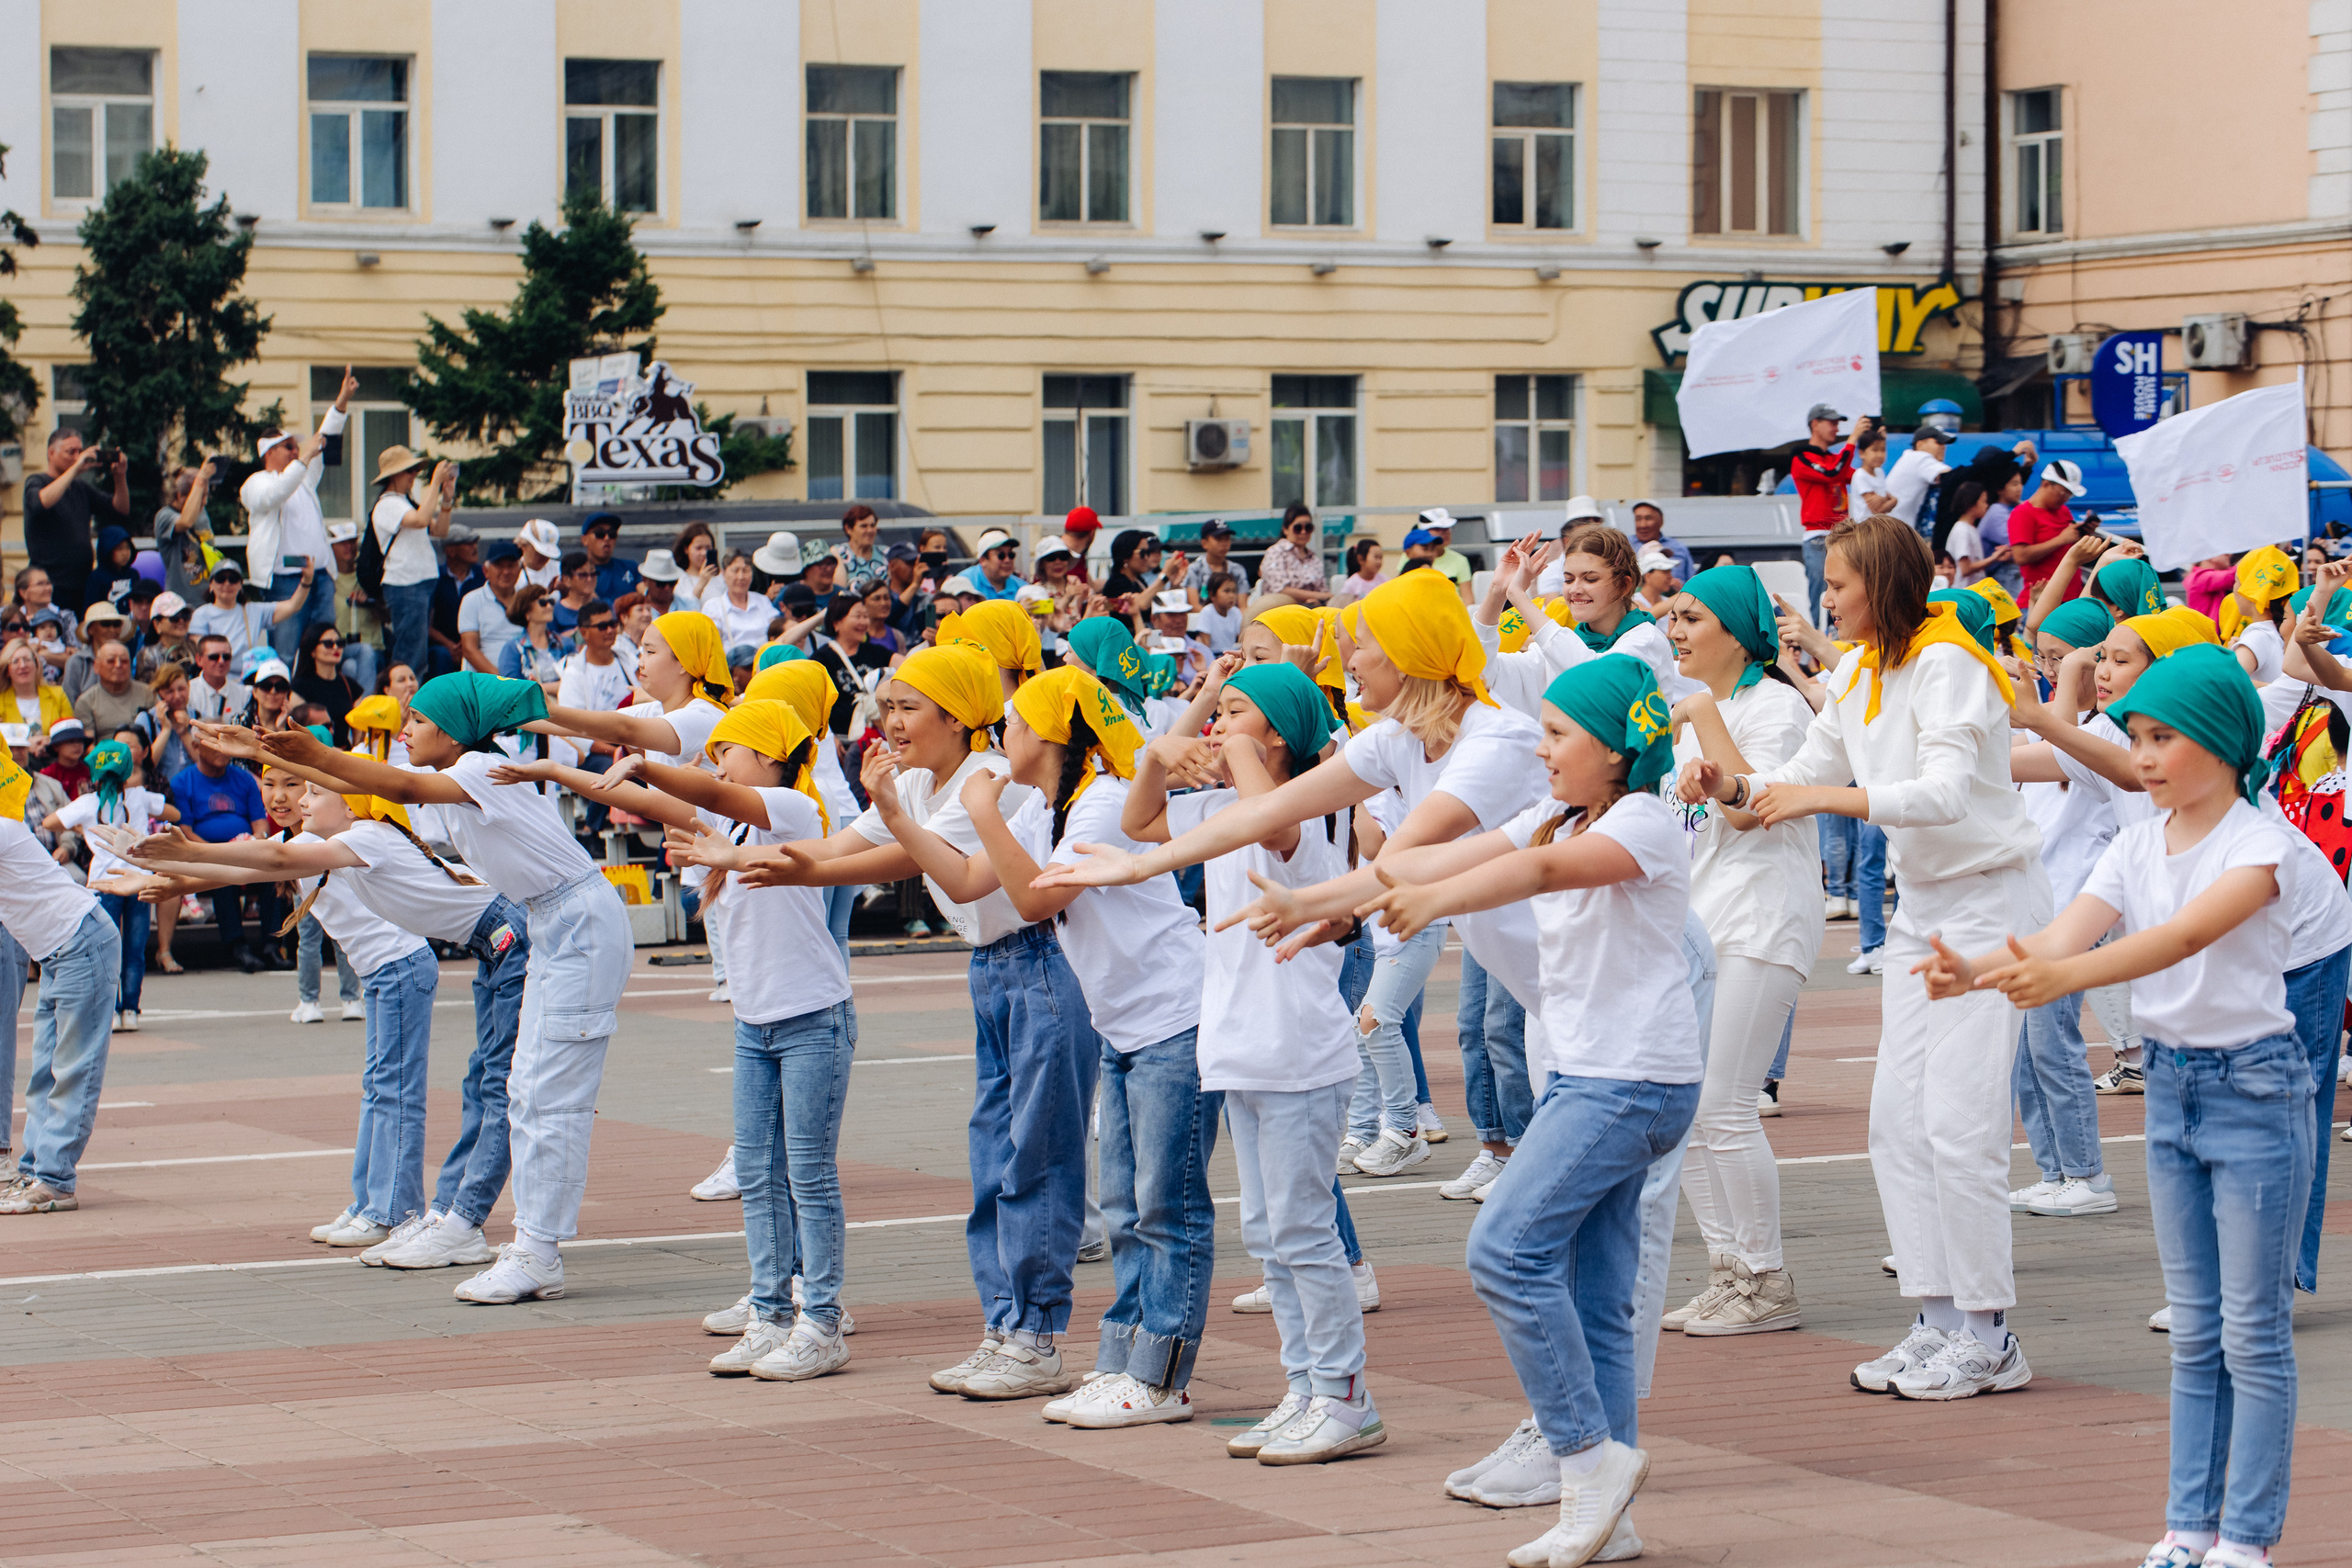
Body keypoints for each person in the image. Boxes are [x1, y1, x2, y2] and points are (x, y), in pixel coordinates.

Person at [1920, 645, 2308, 1568]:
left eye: (2160, 736)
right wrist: (1977, 971)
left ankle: (2244, 1539)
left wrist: (2058, 972)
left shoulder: (2261, 843)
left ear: (2218, 742)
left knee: (2251, 1333)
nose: (2139, 753)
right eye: (2134, 735)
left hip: (2256, 1089)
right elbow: (2061, 933)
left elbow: (2179, 938)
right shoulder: (2134, 842)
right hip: (2172, 1092)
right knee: (2196, 1325)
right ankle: (2186, 1528)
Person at [1682, 512, 2045, 1400]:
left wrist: (1819, 795)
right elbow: (1795, 772)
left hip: (1989, 904)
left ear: (1880, 586)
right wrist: (1729, 784)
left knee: (1960, 1125)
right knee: (1895, 1120)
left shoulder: (1952, 663)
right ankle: (1935, 1318)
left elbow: (1946, 793)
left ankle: (1990, 1335)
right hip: (1926, 911)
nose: (1825, 600)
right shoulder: (1859, 675)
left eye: (1838, 584)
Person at [1354, 654, 1699, 1563]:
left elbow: (1542, 875)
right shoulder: (1559, 810)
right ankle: (1607, 1518)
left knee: (1504, 1250)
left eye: (1557, 735)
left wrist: (1429, 896)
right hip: (1590, 1078)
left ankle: (1583, 1459)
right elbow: (1433, 860)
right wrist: (1316, 903)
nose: (1541, 751)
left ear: (1620, 749)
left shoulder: (1648, 821)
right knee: (1592, 1297)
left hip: (1632, 1083)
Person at [709, 645, 1099, 1399]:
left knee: (1036, 1158)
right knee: (994, 1157)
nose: (889, 721)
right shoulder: (918, 777)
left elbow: (913, 861)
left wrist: (826, 848)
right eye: (886, 705)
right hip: (992, 968)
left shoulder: (988, 779)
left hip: (1042, 963)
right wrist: (773, 861)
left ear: (958, 716)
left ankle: (1035, 1334)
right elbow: (842, 845)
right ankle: (1005, 1327)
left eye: (907, 706)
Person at [254, 677, 633, 1304]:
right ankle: (523, 1244)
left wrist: (306, 753)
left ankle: (534, 1250)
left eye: (418, 720)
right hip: (549, 920)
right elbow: (372, 789)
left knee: (547, 1091)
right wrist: (283, 757)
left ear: (452, 732)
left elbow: (393, 785)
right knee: (522, 1086)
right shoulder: (463, 775)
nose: (406, 731)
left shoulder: (479, 766)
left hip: (576, 921)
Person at [1655, 567, 1821, 1337]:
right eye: (1673, 617)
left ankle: (1766, 1278)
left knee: (1724, 1105)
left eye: (1691, 617)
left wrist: (1701, 718)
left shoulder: (1778, 705)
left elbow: (1754, 807)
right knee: (1686, 1112)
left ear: (1733, 628)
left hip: (1760, 921)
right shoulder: (1697, 714)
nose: (1676, 629)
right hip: (1702, 925)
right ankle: (1729, 1272)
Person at [0, 746, 122, 1214]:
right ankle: (34, 1170)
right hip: (60, 951)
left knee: (73, 1068)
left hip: (81, 942)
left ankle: (54, 1179)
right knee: (45, 1069)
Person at [43, 738, 175, 1032]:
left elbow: (51, 822)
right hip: (140, 879)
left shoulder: (87, 803)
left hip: (104, 882)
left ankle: (111, 1011)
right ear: (127, 770)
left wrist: (82, 827)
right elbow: (174, 814)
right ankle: (131, 1009)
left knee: (106, 950)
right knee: (135, 949)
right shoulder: (139, 796)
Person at [243, 369, 358, 661]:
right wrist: (304, 456)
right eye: (289, 447)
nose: (296, 452)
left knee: (323, 648)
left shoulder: (302, 479)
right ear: (269, 452)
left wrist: (342, 401)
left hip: (319, 575)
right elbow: (277, 493)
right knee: (285, 649)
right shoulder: (257, 482)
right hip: (286, 579)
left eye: (297, 447)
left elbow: (325, 437)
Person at [166, 729, 277, 972]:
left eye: (227, 744)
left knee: (274, 875)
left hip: (246, 851)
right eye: (216, 745)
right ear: (197, 747)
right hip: (205, 854)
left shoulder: (244, 779)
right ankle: (238, 946)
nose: (223, 751)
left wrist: (257, 841)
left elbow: (260, 824)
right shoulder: (182, 782)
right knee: (223, 876)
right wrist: (221, 854)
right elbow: (185, 831)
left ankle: (272, 945)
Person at [24, 427, 131, 614]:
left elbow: (120, 509)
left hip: (82, 581)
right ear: (51, 453)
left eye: (79, 452)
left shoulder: (80, 488)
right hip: (51, 584)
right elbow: (41, 502)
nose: (76, 457)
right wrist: (76, 468)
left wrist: (120, 476)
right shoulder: (37, 481)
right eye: (70, 452)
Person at [369, 447, 455, 681]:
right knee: (411, 653)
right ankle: (406, 705)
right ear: (394, 474)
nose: (414, 474)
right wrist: (435, 483)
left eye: (415, 469)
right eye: (410, 470)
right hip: (406, 585)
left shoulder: (405, 502)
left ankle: (410, 703)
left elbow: (440, 530)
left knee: (418, 651)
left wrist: (447, 498)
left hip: (419, 583)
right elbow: (420, 520)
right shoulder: (387, 504)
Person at [1789, 405, 1859, 627]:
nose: (1836, 428)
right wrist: (1854, 439)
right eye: (1832, 423)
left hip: (1842, 535)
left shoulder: (1833, 459)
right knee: (1821, 596)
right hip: (1819, 536)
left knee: (1847, 591)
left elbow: (1858, 478)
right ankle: (1814, 648)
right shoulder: (1802, 458)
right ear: (1814, 424)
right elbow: (1832, 473)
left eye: (1837, 423)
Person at [2006, 459, 2090, 605]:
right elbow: (2020, 556)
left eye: (2069, 495)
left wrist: (2084, 532)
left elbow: (2068, 545)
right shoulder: (2023, 513)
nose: (2065, 499)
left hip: (2071, 598)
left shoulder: (2063, 511)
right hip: (2041, 602)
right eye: (2063, 493)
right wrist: (2061, 539)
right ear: (2046, 484)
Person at [813, 594, 891, 739]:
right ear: (836, 623)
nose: (863, 622)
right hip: (841, 739)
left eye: (866, 616)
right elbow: (815, 705)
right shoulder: (821, 659)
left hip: (876, 738)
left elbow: (907, 666)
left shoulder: (877, 652)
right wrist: (828, 737)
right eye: (857, 616)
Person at [155, 459, 219, 605]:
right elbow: (186, 522)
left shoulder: (202, 512)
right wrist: (200, 480)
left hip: (208, 600)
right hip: (182, 604)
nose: (204, 502)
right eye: (200, 496)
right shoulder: (164, 517)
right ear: (179, 496)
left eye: (206, 495)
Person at [458, 541, 525, 674]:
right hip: (488, 680)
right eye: (499, 566)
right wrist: (502, 680)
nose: (506, 572)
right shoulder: (472, 600)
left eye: (511, 566)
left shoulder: (526, 598)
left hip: (525, 674)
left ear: (519, 570)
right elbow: (469, 649)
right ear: (486, 571)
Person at [294, 622, 364, 747]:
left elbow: (359, 732)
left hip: (345, 755)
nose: (336, 647)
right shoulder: (299, 687)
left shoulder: (351, 686)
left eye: (340, 643)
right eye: (328, 644)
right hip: (313, 755)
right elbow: (296, 729)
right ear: (312, 651)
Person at [73, 638, 154, 739]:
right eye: (111, 661)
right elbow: (88, 746)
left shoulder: (148, 693)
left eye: (124, 661)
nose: (118, 665)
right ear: (96, 666)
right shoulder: (86, 701)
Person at [1883, 424, 1951, 537]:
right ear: (1920, 444)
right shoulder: (1919, 457)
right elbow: (1951, 477)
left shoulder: (1909, 458)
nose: (1943, 446)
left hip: (1892, 528)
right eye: (1938, 442)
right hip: (1896, 531)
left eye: (1944, 443)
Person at [711, 548, 783, 651]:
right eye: (735, 571)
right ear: (723, 573)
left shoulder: (763, 601)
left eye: (746, 571)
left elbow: (776, 631)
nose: (740, 577)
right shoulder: (713, 606)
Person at [1259, 504, 1329, 606]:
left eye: (1308, 527)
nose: (1303, 532)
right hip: (1280, 611)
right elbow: (1280, 590)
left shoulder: (1314, 558)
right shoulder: (1276, 552)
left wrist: (1317, 600)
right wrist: (1317, 596)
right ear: (1285, 530)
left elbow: (1323, 591)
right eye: (1298, 528)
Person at [0, 638, 73, 735]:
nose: (22, 665)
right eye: (15, 661)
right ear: (7, 671)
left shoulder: (58, 695)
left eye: (27, 659)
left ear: (37, 664)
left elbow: (71, 735)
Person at [1183, 519, 1252, 606]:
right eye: (1218, 539)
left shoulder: (1238, 570)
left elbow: (1243, 606)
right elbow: (1194, 606)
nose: (1224, 544)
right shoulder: (1194, 569)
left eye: (1227, 539)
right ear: (1204, 543)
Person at [949, 529, 1028, 603]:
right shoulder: (963, 582)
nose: (1007, 560)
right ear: (983, 560)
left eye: (1011, 554)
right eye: (1001, 555)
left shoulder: (1022, 587)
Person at [136, 592, 198, 687]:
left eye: (185, 615)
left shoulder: (195, 648)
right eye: (175, 617)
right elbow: (149, 689)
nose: (181, 621)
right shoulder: (148, 655)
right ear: (157, 624)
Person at [1629, 500, 1697, 583]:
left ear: (1661, 520)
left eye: (1648, 518)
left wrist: (1679, 588)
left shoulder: (1678, 547)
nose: (1643, 525)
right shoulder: (1625, 545)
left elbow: (1692, 580)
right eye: (1638, 519)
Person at [186, 635, 248, 723]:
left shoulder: (244, 694)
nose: (221, 661)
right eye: (214, 657)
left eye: (226, 657)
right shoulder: (187, 692)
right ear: (199, 660)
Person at [578, 513, 638, 602]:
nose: (607, 538)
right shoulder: (577, 573)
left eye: (612, 534)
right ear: (585, 540)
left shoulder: (631, 568)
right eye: (600, 534)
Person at [832, 503, 887, 593]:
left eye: (872, 526)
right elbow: (840, 590)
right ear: (848, 529)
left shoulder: (886, 553)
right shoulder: (839, 553)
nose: (870, 530)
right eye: (864, 526)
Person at [673, 521, 720, 607]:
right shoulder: (679, 580)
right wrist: (701, 583)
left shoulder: (720, 578)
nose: (704, 553)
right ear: (686, 549)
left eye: (708, 548)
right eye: (698, 548)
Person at [548, 550, 597, 635]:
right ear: (567, 580)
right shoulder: (554, 612)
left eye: (593, 574)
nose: (589, 579)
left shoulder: (606, 607)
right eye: (583, 575)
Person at [1330, 539, 1387, 610]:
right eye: (1376, 557)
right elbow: (1343, 605)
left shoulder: (1384, 580)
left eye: (1381, 558)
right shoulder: (1351, 583)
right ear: (1361, 559)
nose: (1379, 562)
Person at [515, 518, 562, 591]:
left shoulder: (560, 570)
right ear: (524, 546)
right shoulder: (513, 574)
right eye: (538, 552)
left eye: (548, 554)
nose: (544, 557)